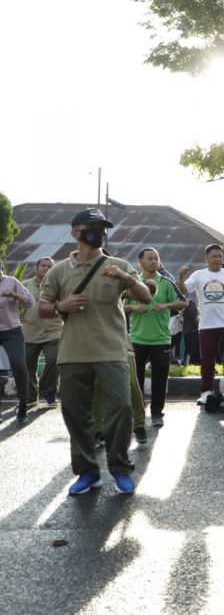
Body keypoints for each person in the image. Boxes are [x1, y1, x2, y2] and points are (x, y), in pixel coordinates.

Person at [37, 208, 153, 495]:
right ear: (75, 232)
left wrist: (127, 280)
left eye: (102, 228)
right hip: (73, 353)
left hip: (112, 351)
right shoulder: (59, 270)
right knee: (76, 414)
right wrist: (59, 308)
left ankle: (119, 468)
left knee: (122, 408)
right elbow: (42, 308)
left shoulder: (117, 264)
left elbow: (146, 297)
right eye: (92, 227)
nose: (98, 232)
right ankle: (88, 471)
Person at [124, 247, 187, 427]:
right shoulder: (132, 283)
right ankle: (139, 413)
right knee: (136, 380)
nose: (154, 261)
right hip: (137, 339)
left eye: (156, 258)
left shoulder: (167, 282)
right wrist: (133, 308)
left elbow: (184, 302)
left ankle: (157, 413)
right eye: (150, 258)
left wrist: (165, 305)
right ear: (140, 262)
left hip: (161, 339)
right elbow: (117, 307)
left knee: (160, 378)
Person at [179, 244, 224, 404]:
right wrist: (181, 277)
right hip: (207, 323)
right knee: (207, 358)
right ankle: (206, 391)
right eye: (214, 256)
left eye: (219, 256)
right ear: (206, 258)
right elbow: (184, 291)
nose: (217, 259)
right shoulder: (198, 275)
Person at [22, 257, 62, 408]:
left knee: (53, 360)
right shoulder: (24, 286)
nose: (46, 268)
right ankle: (31, 396)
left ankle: (48, 393)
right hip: (29, 332)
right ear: (36, 269)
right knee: (26, 364)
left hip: (54, 331)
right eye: (43, 266)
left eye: (49, 266)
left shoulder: (59, 287)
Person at [0, 267, 34, 422]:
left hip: (11, 331)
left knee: (18, 364)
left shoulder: (11, 281)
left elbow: (30, 302)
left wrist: (14, 295)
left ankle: (22, 404)